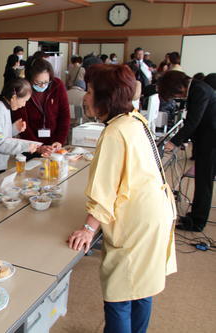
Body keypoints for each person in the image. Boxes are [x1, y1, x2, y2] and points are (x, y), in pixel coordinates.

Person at [68, 64, 177, 333]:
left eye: (90, 91)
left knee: (119, 292)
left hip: (136, 222)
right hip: (157, 213)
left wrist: (87, 228)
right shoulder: (135, 119)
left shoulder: (114, 132)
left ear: (105, 98)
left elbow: (104, 191)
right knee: (143, 286)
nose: (85, 96)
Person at [159, 70, 216, 232]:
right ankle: (195, 215)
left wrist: (174, 142)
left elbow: (193, 122)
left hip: (211, 142)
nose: (178, 98)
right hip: (206, 140)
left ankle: (198, 222)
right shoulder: (197, 88)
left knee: (204, 182)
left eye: (175, 95)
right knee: (201, 180)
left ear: (178, 87)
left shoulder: (199, 90)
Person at [0, 78, 39, 180]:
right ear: (14, 97)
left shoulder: (2, 103)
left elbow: (0, 134)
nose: (24, 105)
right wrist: (25, 147)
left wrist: (14, 128)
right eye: (24, 101)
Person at [11, 58, 70, 158]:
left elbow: (64, 116)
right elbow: (22, 123)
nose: (43, 86)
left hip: (53, 145)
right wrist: (37, 147)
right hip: (30, 145)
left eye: (46, 82)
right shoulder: (23, 89)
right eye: (38, 83)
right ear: (30, 79)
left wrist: (59, 140)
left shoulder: (57, 85)